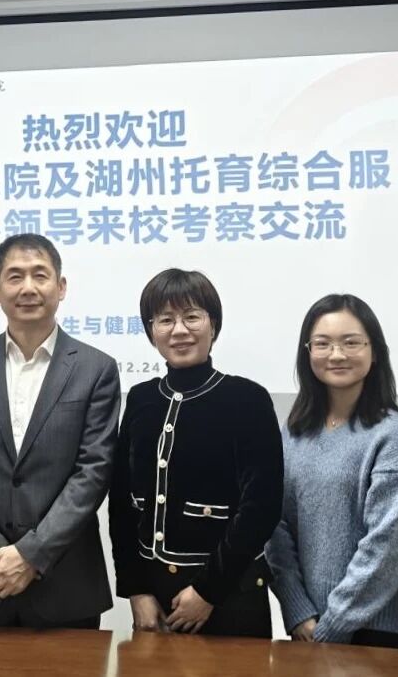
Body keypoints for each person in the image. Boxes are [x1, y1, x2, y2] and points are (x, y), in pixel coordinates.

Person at [0, 233, 121, 628]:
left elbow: (93, 473)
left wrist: (32, 555)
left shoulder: (96, 368)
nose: (29, 288)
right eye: (15, 276)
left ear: (61, 286)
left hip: (66, 586)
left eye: (40, 275)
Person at [109, 269, 282, 637]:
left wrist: (207, 591)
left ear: (213, 325)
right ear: (151, 330)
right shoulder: (140, 399)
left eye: (191, 316)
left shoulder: (248, 399)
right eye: (165, 320)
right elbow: (122, 503)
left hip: (230, 596)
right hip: (154, 596)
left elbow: (261, 507)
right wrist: (135, 589)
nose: (179, 330)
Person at [265, 293, 398, 648]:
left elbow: (389, 546)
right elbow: (275, 526)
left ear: (374, 351)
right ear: (308, 353)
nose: (336, 355)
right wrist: (297, 610)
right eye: (322, 344)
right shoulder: (294, 431)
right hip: (307, 625)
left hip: (376, 630)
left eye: (351, 343)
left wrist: (334, 624)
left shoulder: (392, 433)